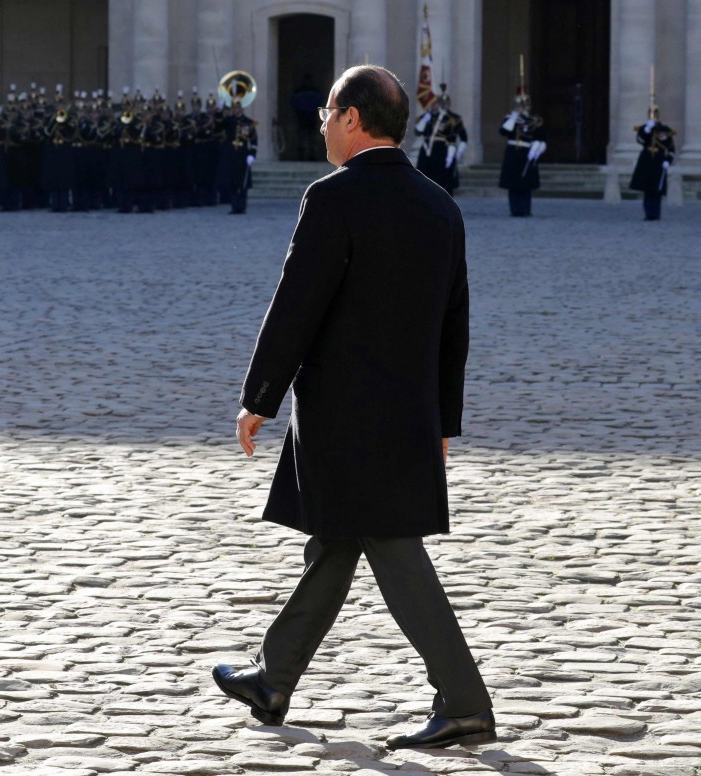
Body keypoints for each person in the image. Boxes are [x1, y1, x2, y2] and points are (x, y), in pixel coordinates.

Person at [211, 65, 496, 751]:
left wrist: (259, 397)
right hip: (407, 412)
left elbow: (297, 306)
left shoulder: (333, 198)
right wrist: (444, 422)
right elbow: (455, 326)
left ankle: (464, 701)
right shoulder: (439, 206)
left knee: (392, 548)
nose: (320, 125)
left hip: (343, 412)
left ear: (350, 118)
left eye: (325, 111)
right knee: (335, 540)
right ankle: (273, 679)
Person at [498, 88, 545, 217]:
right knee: (513, 182)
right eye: (520, 106)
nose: (523, 108)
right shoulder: (510, 119)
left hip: (527, 152)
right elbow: (504, 132)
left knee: (526, 182)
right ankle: (515, 209)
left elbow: (540, 137)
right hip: (513, 152)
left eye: (525, 106)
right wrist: (514, 117)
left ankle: (525, 208)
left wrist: (537, 148)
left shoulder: (534, 121)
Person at [414, 84, 467, 196]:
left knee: (444, 181)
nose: (439, 106)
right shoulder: (427, 117)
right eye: (436, 103)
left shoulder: (451, 119)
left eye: (442, 104)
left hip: (443, 151)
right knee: (425, 180)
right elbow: (417, 132)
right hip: (427, 151)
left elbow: (457, 138)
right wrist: (424, 120)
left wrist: (454, 154)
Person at [629, 108, 676, 221]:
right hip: (647, 161)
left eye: (655, 115)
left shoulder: (665, 130)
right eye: (651, 115)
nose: (653, 117)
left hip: (659, 161)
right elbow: (640, 140)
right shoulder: (645, 129)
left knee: (657, 191)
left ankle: (655, 213)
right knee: (647, 190)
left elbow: (671, 149)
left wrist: (668, 161)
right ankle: (648, 213)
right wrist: (647, 129)